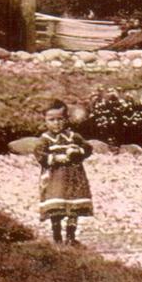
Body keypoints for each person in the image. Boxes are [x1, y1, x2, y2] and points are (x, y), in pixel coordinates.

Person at [34, 99, 93, 244]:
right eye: (51, 120)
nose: (56, 123)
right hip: (55, 177)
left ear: (66, 119)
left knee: (74, 206)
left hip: (74, 177)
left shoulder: (73, 137)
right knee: (57, 206)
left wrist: (77, 150)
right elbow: (39, 155)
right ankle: (57, 235)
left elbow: (88, 148)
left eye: (60, 119)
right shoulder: (45, 139)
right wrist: (55, 158)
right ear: (45, 121)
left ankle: (71, 236)